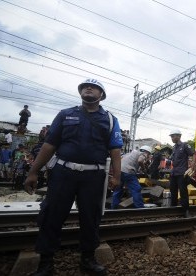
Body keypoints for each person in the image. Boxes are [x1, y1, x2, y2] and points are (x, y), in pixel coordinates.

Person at [24, 78, 123, 276]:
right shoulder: (65, 114)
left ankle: (87, 260)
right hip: (63, 173)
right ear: (80, 93)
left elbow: (115, 150)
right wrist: (33, 171)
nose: (89, 88)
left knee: (90, 218)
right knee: (52, 216)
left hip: (93, 176)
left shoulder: (110, 120)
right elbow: (49, 145)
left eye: (94, 87)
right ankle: (45, 263)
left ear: (101, 95)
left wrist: (116, 176)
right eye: (85, 86)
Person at [169, 129, 195, 218]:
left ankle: (186, 211)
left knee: (183, 192)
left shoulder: (184, 145)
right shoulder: (174, 147)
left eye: (173, 136)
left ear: (179, 136)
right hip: (173, 173)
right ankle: (173, 209)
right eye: (171, 136)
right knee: (173, 191)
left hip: (181, 173)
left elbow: (193, 154)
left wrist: (193, 165)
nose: (172, 138)